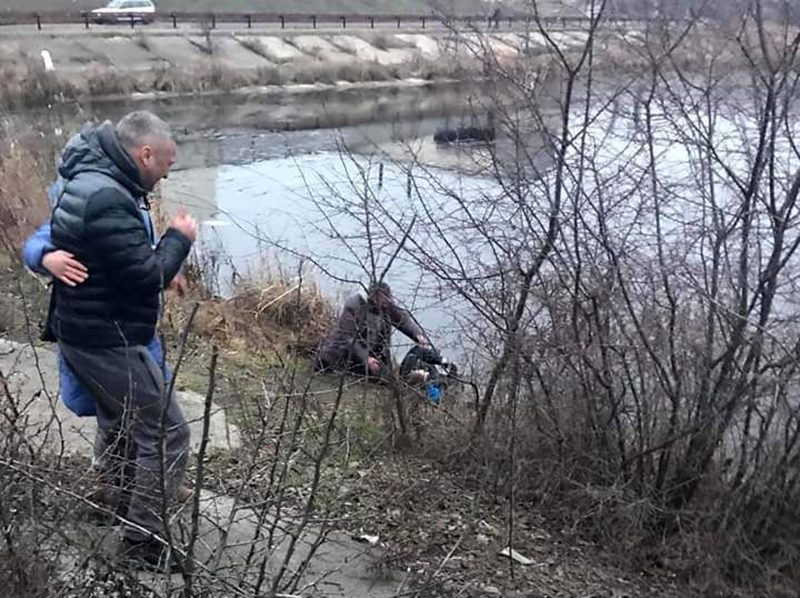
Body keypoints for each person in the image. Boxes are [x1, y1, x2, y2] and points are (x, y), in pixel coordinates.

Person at [47, 111, 195, 570]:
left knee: (122, 423)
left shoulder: (91, 178)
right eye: (165, 163)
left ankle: (119, 505)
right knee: (169, 432)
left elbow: (113, 260)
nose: (168, 173)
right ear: (144, 153)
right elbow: (144, 276)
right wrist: (178, 238)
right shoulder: (109, 196)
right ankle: (142, 542)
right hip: (104, 337)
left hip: (85, 329)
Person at [313, 281, 429, 378]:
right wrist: (366, 358)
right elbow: (347, 337)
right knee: (328, 364)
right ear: (374, 296)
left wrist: (417, 334)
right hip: (350, 352)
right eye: (383, 300)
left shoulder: (386, 305)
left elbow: (403, 320)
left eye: (387, 300)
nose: (386, 303)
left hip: (374, 352)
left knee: (385, 378)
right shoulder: (353, 305)